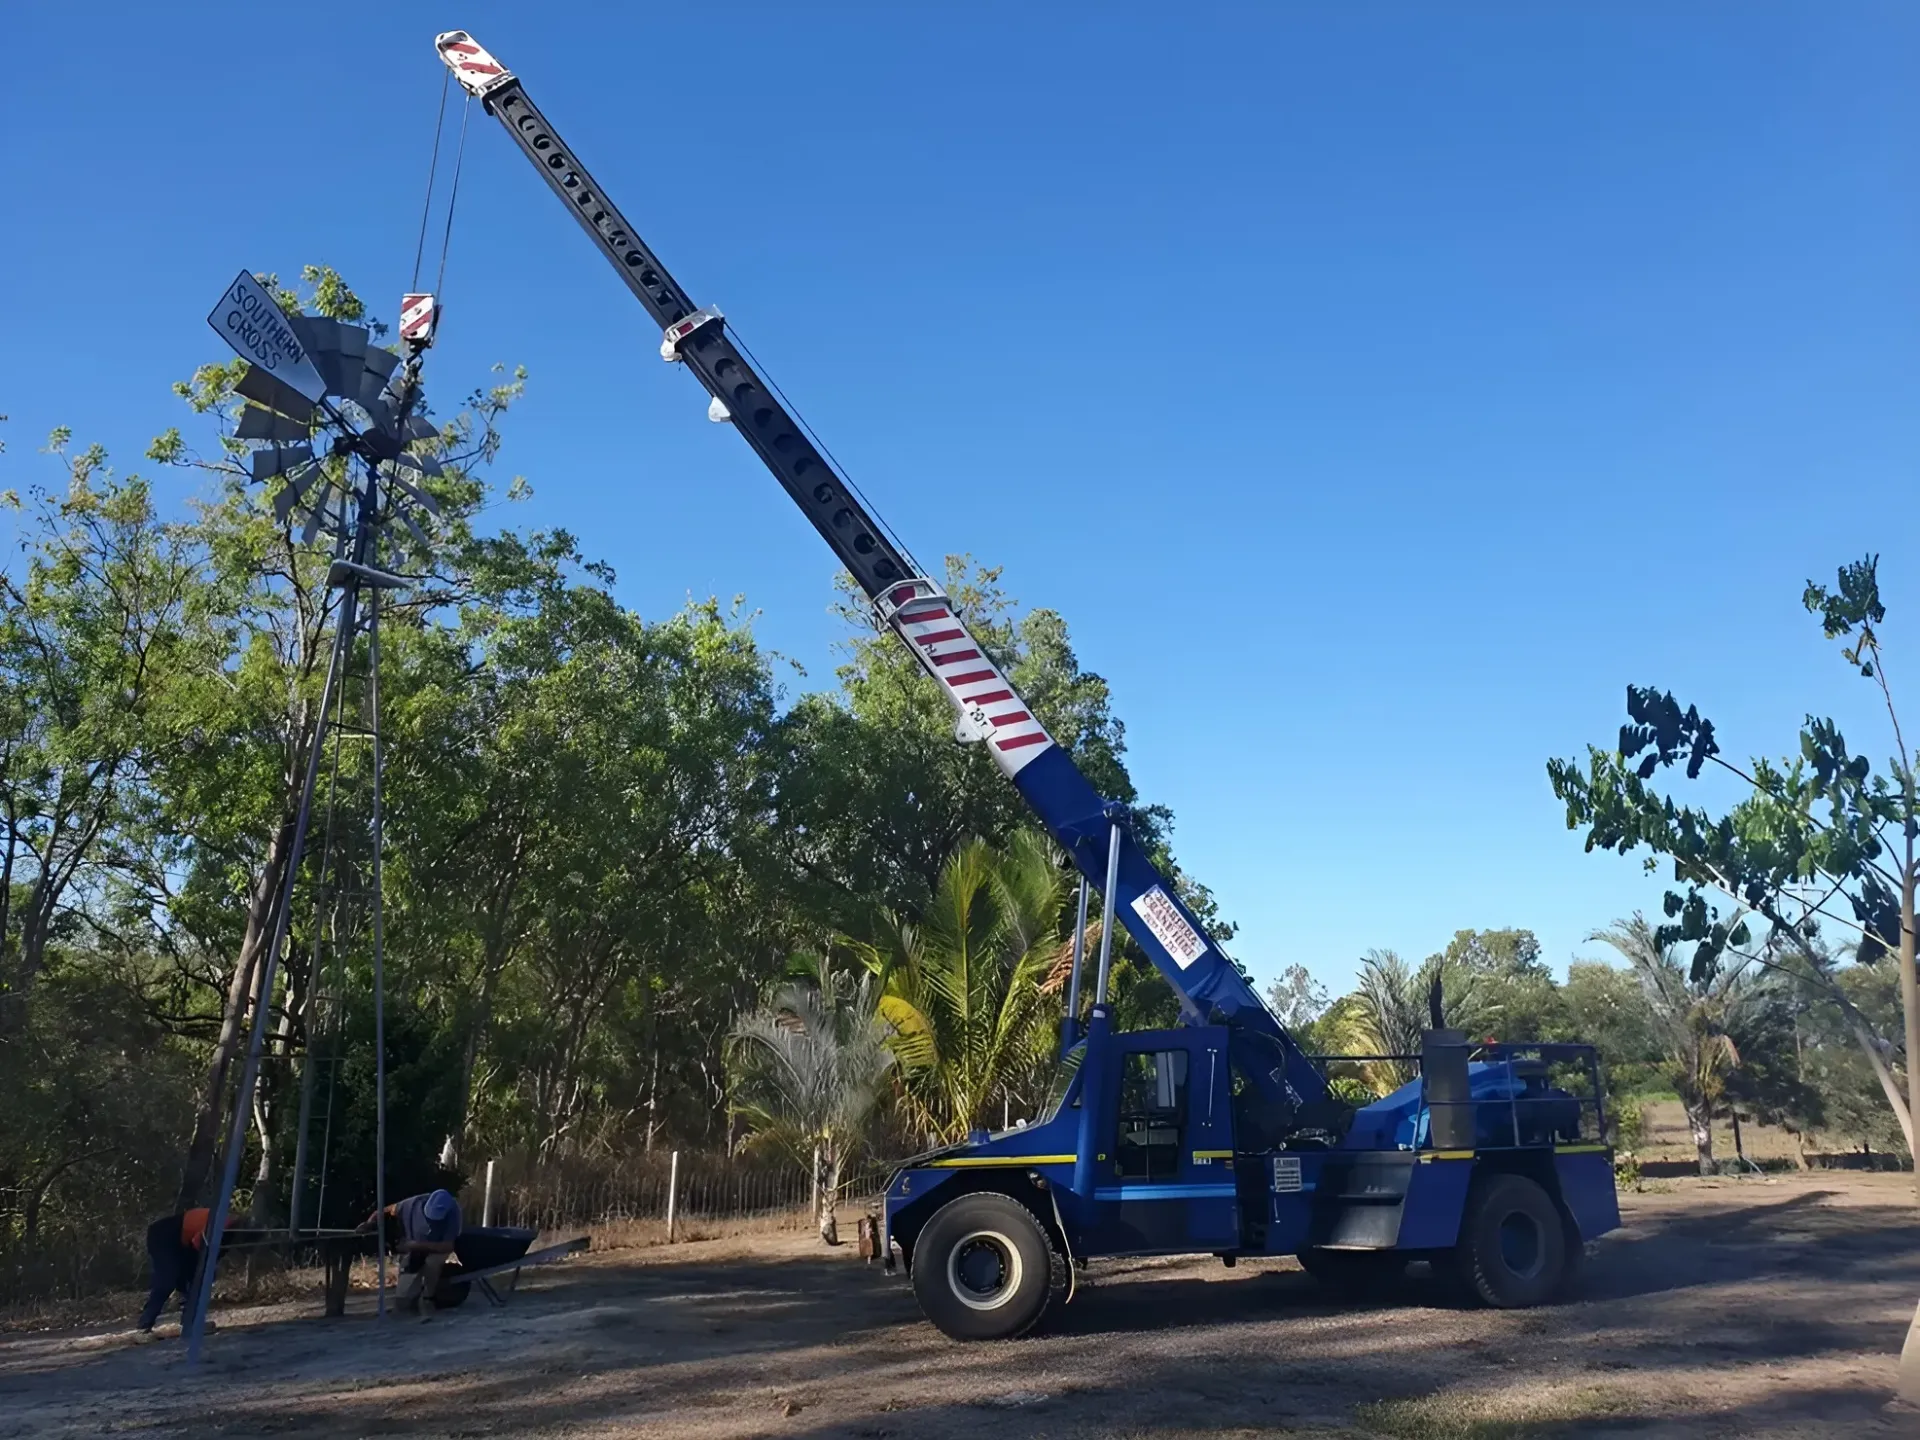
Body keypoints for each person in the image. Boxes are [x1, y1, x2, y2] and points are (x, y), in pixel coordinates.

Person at [362, 1189, 462, 1316]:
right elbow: (383, 1211)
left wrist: (417, 1245)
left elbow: (448, 1246)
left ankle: (428, 1297)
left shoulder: (454, 1212)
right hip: (413, 1247)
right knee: (406, 1287)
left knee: (433, 1264)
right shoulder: (411, 1204)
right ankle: (406, 1302)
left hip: (435, 1248)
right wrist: (369, 1223)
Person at [136, 1206, 233, 1336]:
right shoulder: (223, 1224)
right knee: (167, 1280)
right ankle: (144, 1327)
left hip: (184, 1240)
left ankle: (190, 1322)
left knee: (197, 1279)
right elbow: (198, 1243)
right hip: (165, 1235)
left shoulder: (230, 1230)